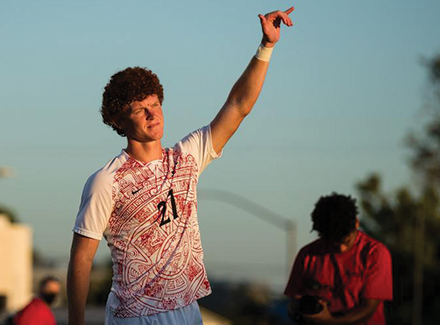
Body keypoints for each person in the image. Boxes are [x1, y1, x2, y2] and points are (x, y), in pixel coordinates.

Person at [67, 7, 295, 325]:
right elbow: (81, 259)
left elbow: (238, 105)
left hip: (187, 309)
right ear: (118, 120)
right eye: (139, 109)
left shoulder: (186, 157)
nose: (152, 114)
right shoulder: (106, 181)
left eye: (155, 104)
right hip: (134, 316)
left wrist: (266, 47)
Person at [285, 193, 393, 325]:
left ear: (357, 223)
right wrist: (298, 309)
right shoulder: (307, 255)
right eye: (334, 244)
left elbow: (368, 308)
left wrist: (331, 321)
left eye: (347, 241)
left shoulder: (375, 253)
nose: (341, 248)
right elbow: (295, 299)